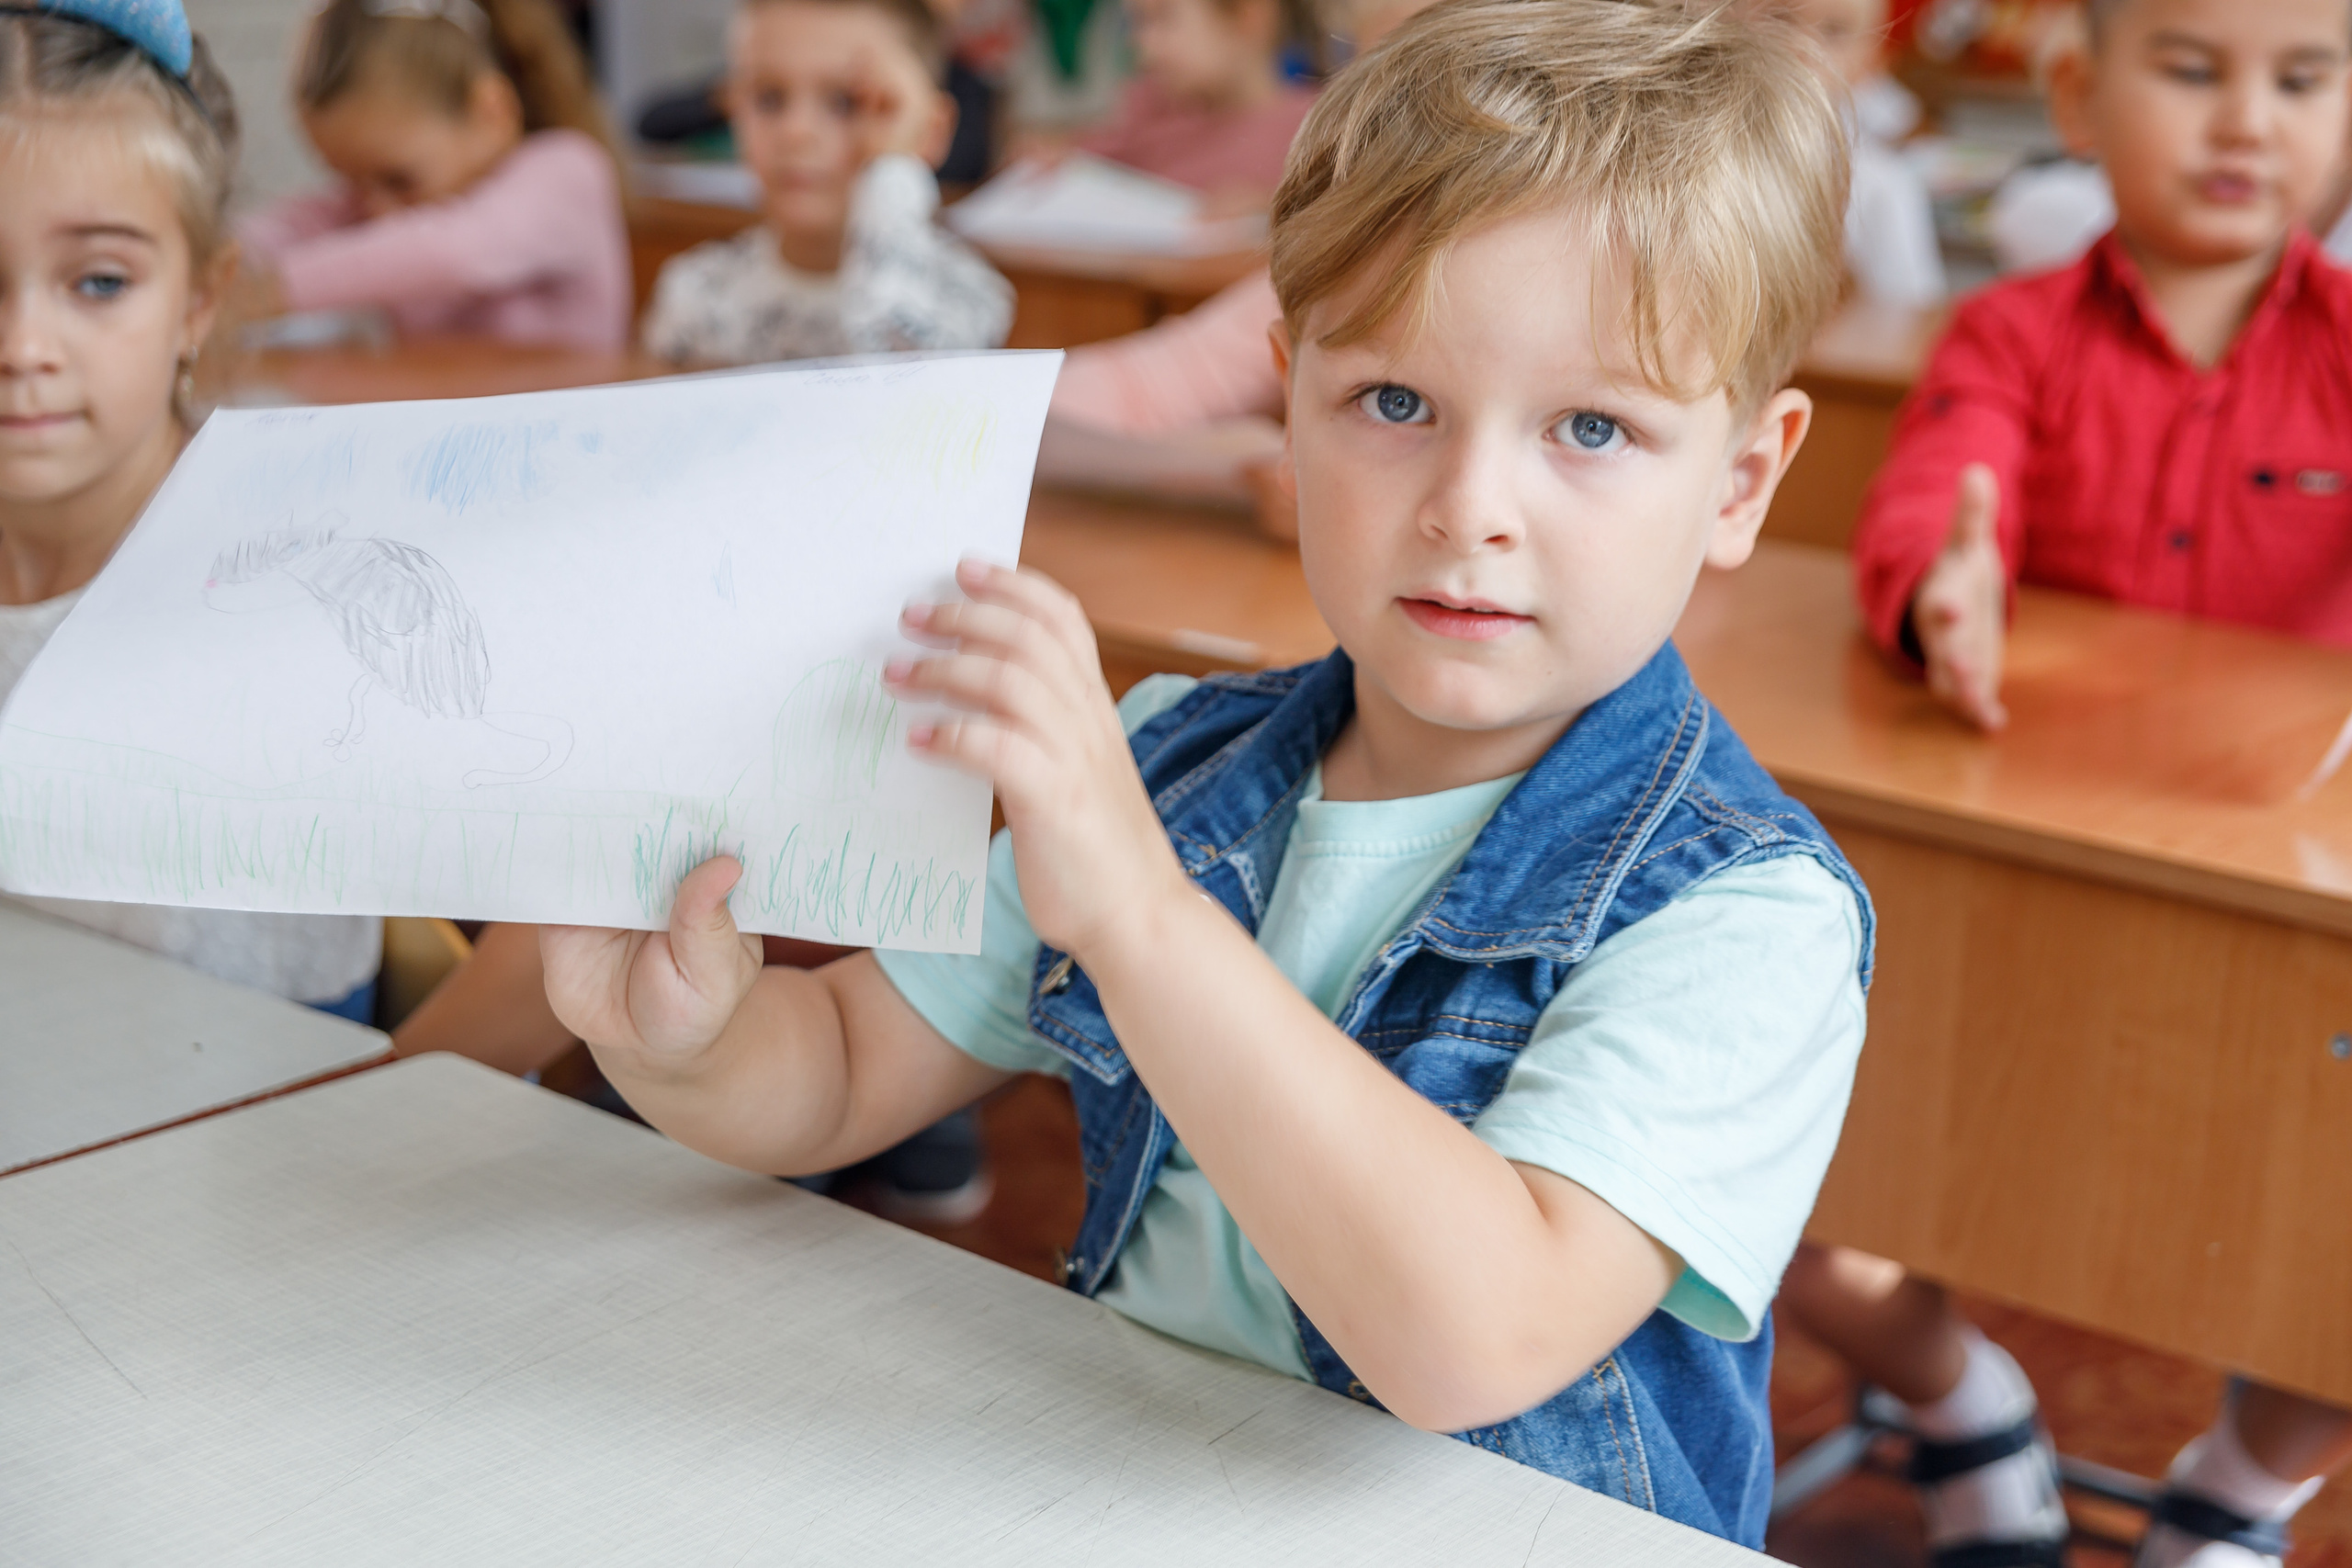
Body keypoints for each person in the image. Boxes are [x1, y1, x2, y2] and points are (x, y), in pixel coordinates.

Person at [540, 0, 1870, 1542]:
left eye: (1591, 427)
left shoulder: (1746, 915)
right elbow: (838, 1066)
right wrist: (686, 1043)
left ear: (1743, 480)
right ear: (1288, 402)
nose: (1469, 506)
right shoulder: (1180, 755)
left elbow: (1473, 1336)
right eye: (1394, 404)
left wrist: (1140, 916)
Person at [1832, 2, 2352, 1564]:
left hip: (2285, 931)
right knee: (1780, 1190)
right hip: (2020, 910)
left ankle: (2238, 1494)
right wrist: (1943, 588)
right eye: (2192, 71)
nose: (2247, 121)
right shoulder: (2009, 334)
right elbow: (1937, 493)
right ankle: (1964, 1418)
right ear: (2075, 93)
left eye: (2304, 80)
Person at [0, 0, 380, 1020]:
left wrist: (406, 1084)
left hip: (272, 1104)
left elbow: (585, 887)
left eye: (100, 281)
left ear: (199, 302)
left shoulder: (304, 563)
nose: (25, 346)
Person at [233, 0, 628, 353]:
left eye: (397, 179)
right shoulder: (385, 200)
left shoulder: (569, 169)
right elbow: (300, 221)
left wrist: (269, 291)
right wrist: (215, 264)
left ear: (492, 112)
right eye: (350, 181)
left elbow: (459, 253)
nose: (376, 209)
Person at [639, 0, 1012, 367]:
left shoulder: (968, 297)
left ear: (928, 131)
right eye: (769, 98)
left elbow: (903, 382)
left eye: (847, 102)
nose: (795, 132)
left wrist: (896, 164)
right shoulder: (696, 296)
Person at [1781, 0, 1947, 306]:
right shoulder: (1699, 156)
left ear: (1871, 60)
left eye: (1834, 32)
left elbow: (1910, 317)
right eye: (1780, 19)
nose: (1799, 45)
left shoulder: (1881, 188)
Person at [1067, 0, 1317, 200]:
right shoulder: (1146, 110)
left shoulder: (1317, 128)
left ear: (1247, 16)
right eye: (1137, 23)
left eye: (1163, 18)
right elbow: (1069, 169)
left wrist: (1267, 208)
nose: (1144, 45)